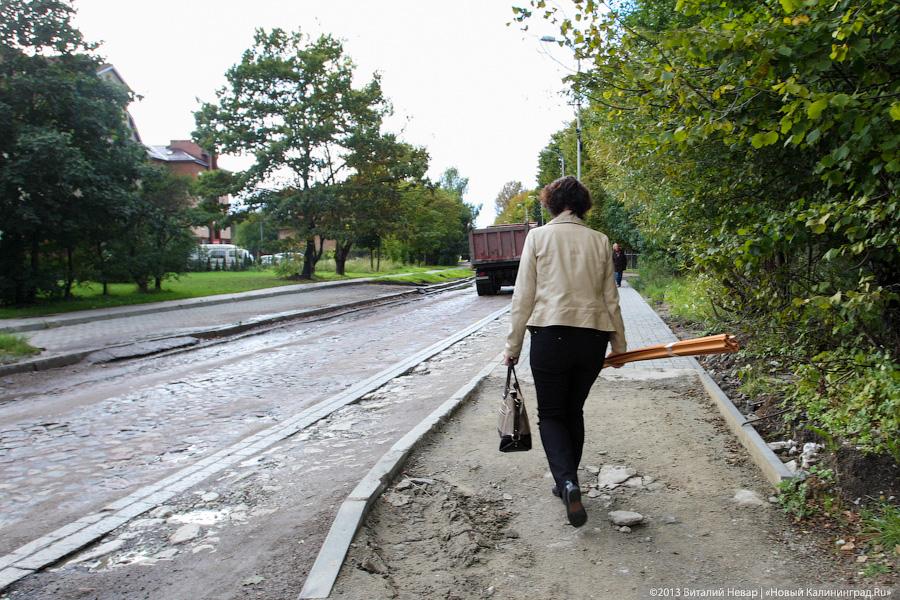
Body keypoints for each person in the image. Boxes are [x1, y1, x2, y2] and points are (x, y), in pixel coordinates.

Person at [504, 176, 626, 528]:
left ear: (550, 204)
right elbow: (610, 298)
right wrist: (618, 345)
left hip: (549, 336)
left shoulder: (538, 237)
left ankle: (567, 481)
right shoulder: (601, 241)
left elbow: (523, 296)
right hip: (592, 338)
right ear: (584, 204)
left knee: (553, 414)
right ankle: (569, 481)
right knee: (574, 410)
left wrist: (513, 345)